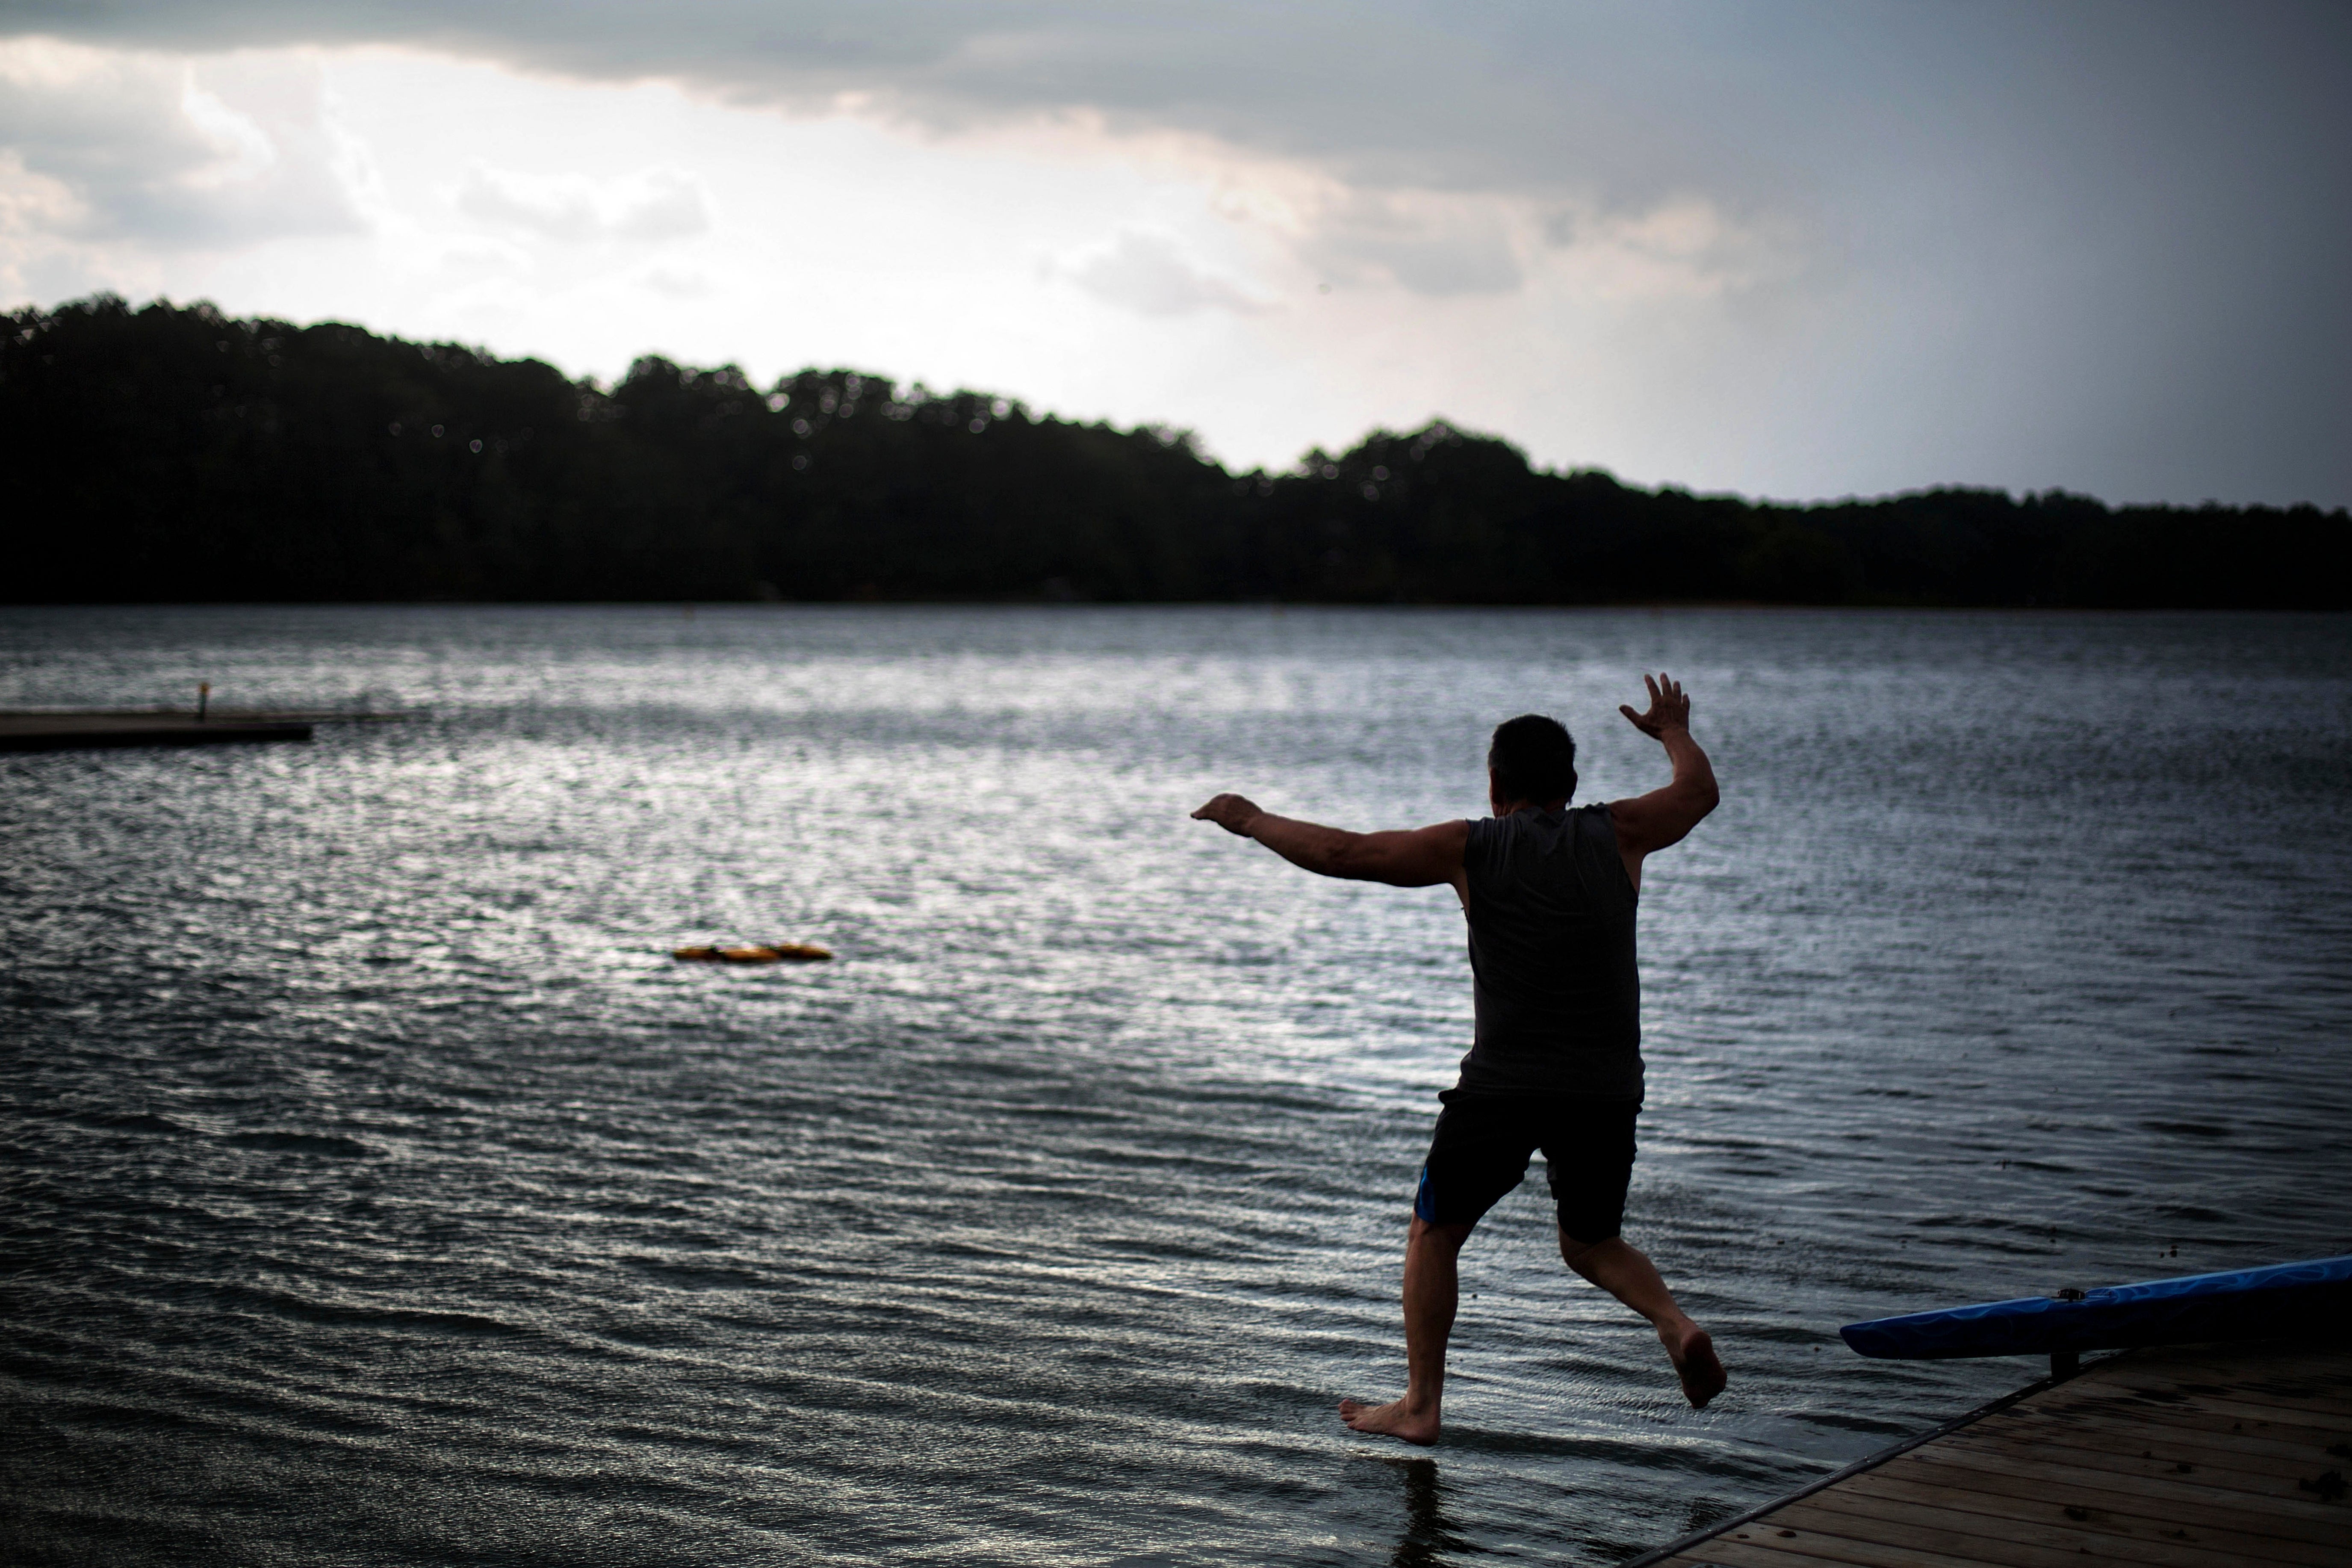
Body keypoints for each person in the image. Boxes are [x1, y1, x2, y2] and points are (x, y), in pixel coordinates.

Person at [1190, 673, 1726, 1445]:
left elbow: (1344, 853)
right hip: (1606, 1089)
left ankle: (1420, 1406)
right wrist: (1672, 730)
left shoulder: (1471, 846)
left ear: (1493, 783)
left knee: (1435, 1231)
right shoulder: (1619, 833)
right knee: (1590, 1240)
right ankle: (1673, 1323)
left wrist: (1248, 819)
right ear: (1570, 786)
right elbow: (1698, 791)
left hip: (1501, 1090)